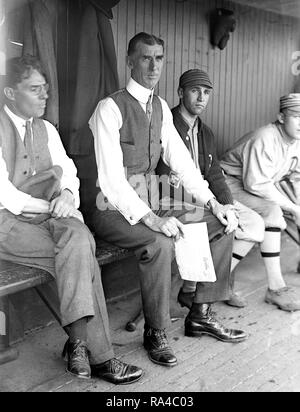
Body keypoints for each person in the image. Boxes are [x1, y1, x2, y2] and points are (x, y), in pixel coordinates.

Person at [89, 32, 247, 370]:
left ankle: (200, 312)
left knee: (220, 223)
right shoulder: (110, 108)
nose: (152, 65)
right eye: (145, 57)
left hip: (154, 202)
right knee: (159, 242)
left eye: (158, 58)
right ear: (130, 60)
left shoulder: (160, 106)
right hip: (111, 206)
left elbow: (183, 162)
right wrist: (152, 218)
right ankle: (156, 332)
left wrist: (212, 202)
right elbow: (111, 180)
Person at [0, 55, 143, 384]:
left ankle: (80, 345)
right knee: (80, 253)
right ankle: (99, 355)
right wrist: (53, 207)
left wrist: (66, 195)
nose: (44, 96)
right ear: (10, 93)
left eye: (45, 89)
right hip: (9, 224)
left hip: (52, 213)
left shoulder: (47, 129)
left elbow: (69, 173)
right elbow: (5, 194)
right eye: (35, 89)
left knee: (78, 241)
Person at [157, 68, 266, 309]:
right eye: (195, 91)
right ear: (180, 92)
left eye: (206, 92)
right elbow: (160, 177)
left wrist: (227, 204)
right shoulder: (167, 125)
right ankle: (195, 292)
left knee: (252, 224)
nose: (201, 98)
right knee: (215, 226)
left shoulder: (206, 132)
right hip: (174, 202)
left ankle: (212, 284)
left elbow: (215, 173)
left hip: (208, 199)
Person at [220, 93, 300, 311]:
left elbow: (295, 178)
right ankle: (273, 287)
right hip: (224, 184)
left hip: (248, 187)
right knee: (272, 212)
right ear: (281, 118)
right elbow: (256, 184)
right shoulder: (265, 137)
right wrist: (292, 207)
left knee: (273, 212)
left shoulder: (295, 141)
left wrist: (298, 206)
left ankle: (274, 287)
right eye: (296, 116)